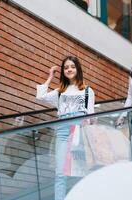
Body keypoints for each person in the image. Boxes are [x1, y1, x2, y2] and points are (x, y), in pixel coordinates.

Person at [36, 56, 95, 200]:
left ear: (78, 69)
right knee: (60, 172)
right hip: (62, 131)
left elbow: (91, 116)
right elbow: (40, 96)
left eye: (72, 67)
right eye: (66, 67)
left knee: (80, 172)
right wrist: (50, 77)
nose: (69, 69)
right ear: (63, 71)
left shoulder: (87, 91)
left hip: (79, 131)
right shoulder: (60, 91)